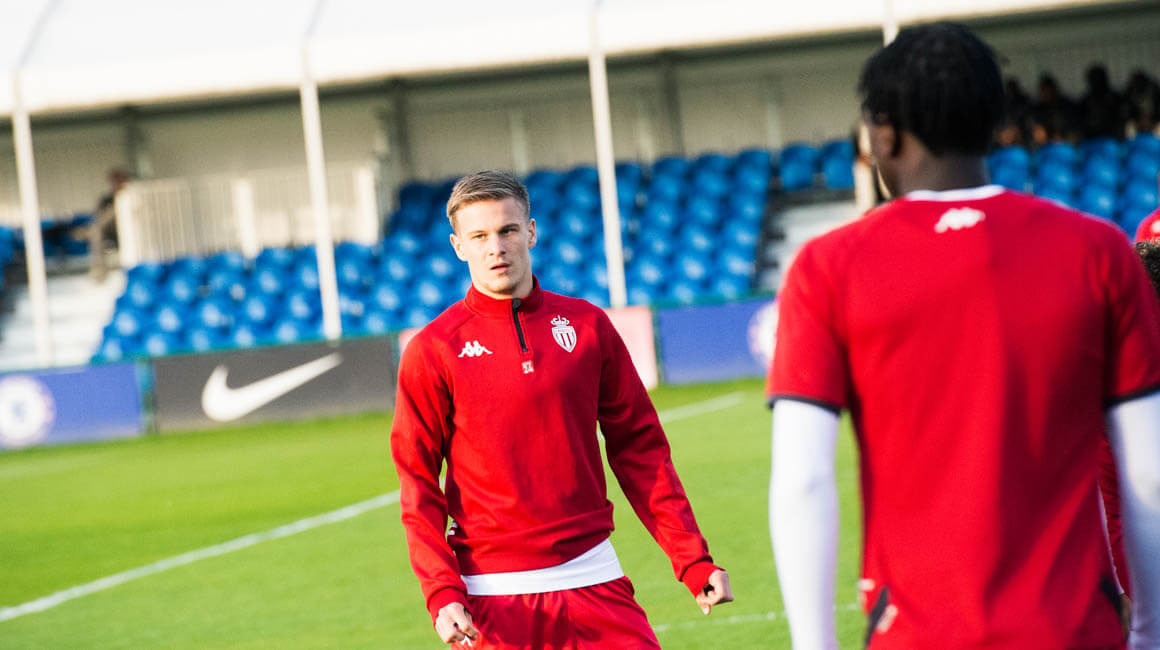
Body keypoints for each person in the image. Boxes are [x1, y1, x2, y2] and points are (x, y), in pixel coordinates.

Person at [767, 22, 1160, 649]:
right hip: (1074, 631)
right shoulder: (1101, 252)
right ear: (995, 121)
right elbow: (1148, 474)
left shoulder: (828, 269)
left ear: (884, 132)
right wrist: (1146, 632)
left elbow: (802, 482)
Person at [391, 170, 732, 649]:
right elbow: (418, 485)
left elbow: (641, 449)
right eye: (479, 236)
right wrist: (442, 592)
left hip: (596, 577)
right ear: (458, 246)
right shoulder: (434, 350)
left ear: (531, 232)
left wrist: (691, 559)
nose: (496, 248)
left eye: (508, 230)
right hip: (495, 599)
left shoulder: (587, 325)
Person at [84, 168, 130, 282]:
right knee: (96, 233)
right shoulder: (106, 199)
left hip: (131, 231)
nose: (118, 183)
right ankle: (99, 271)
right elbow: (99, 217)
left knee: (115, 209)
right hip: (112, 232)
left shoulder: (133, 196)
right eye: (116, 180)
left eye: (121, 180)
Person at [1079, 64, 1124, 140]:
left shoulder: (1116, 98)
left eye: (1099, 79)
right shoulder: (1085, 101)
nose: (1097, 83)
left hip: (1112, 137)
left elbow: (1121, 119)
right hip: (1091, 138)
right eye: (1094, 80)